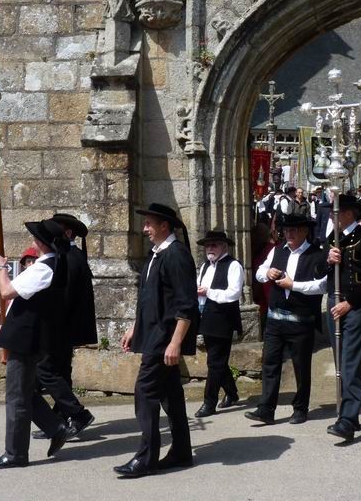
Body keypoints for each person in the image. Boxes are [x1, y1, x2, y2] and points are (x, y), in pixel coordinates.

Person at [116, 204, 198, 478]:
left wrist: (175, 343)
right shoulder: (156, 254)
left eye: (149, 224)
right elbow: (148, 300)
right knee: (170, 394)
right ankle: (182, 451)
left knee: (145, 392)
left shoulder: (176, 255)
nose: (145, 229)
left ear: (164, 225)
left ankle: (146, 458)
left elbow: (186, 305)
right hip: (151, 334)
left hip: (163, 339)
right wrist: (134, 329)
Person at [0, 219, 71, 469]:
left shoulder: (44, 268)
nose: (31, 241)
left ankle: (15, 454)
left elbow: (7, 292)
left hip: (27, 338)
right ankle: (56, 427)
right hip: (26, 335)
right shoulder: (50, 265)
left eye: (35, 238)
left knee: (17, 397)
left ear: (42, 243)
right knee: (22, 391)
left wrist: (2, 268)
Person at [245, 213, 327, 426]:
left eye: (294, 230)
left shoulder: (316, 254)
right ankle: (266, 409)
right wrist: (267, 273)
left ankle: (300, 408)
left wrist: (294, 286)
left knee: (301, 366)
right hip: (275, 319)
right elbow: (259, 272)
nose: (288, 234)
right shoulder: (277, 249)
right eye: (286, 230)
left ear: (305, 232)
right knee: (270, 364)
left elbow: (322, 285)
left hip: (301, 321)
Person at [318, 194, 361, 442]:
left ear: (347, 214)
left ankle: (346, 420)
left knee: (351, 362)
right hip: (335, 303)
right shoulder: (332, 239)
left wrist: (349, 303)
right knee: (341, 362)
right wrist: (328, 260)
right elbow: (318, 271)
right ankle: (350, 415)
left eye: (335, 212)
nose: (331, 217)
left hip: (355, 306)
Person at [33, 213, 97, 441]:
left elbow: (64, 296)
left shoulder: (69, 256)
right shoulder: (69, 254)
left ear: (67, 232)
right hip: (64, 326)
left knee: (45, 371)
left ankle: (77, 414)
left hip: (59, 326)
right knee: (60, 371)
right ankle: (59, 418)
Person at [194, 230, 244, 418]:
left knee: (214, 362)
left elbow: (234, 293)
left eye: (214, 245)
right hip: (206, 316)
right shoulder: (205, 266)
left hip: (223, 318)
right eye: (207, 245)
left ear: (224, 246)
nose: (210, 248)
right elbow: (200, 289)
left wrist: (208, 292)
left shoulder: (233, 266)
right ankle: (232, 393)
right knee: (217, 361)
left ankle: (209, 402)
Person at [251, 223, 275, 339]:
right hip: (258, 293)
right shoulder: (253, 250)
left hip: (267, 293)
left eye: (259, 235)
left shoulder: (271, 249)